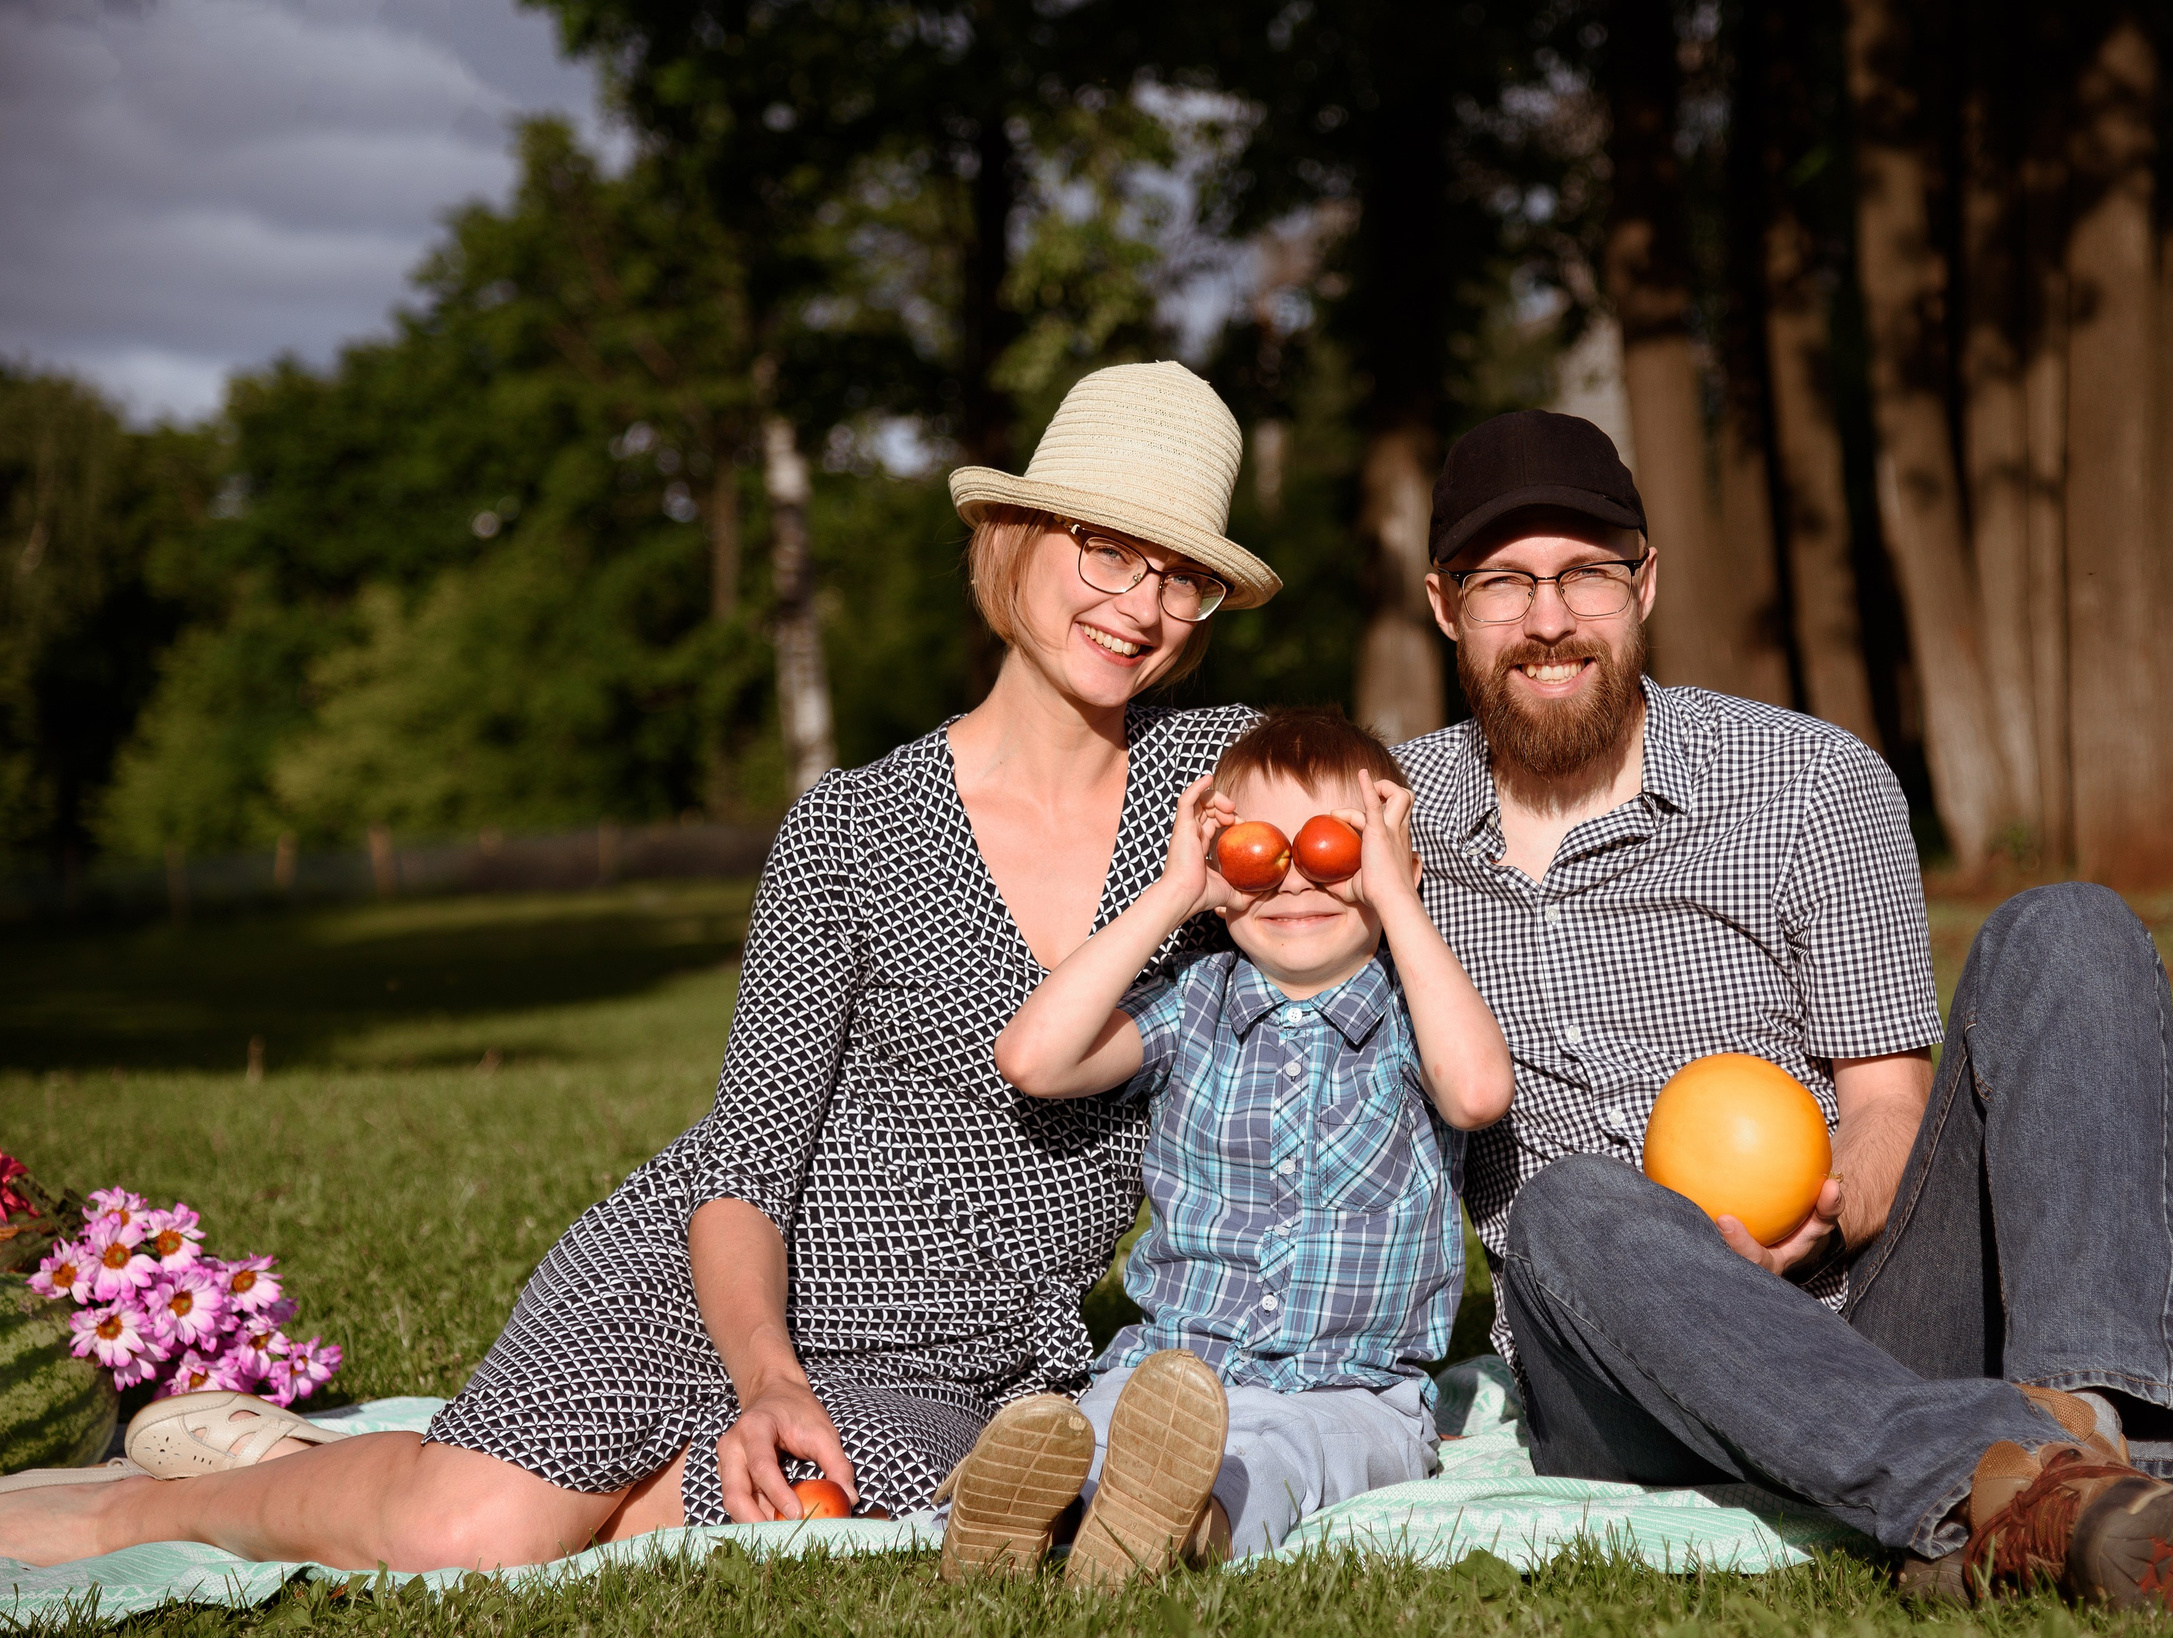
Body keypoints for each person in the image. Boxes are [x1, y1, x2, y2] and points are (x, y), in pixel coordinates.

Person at [0, 361, 1287, 1575]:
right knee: (473, 1533)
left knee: (765, 1511)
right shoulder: (854, 824)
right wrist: (766, 1375)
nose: (1142, 607)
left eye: (1186, 579)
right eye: (1107, 549)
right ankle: (142, 1502)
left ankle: (314, 1455)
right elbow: (746, 1158)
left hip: (965, 1357)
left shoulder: (1229, 787)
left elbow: (1427, 816)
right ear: (1019, 539)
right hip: (724, 1283)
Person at [1392, 409, 2173, 1610]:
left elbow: (1886, 1102)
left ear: (1645, 583)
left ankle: (2094, 1444)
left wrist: (1827, 1203)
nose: (1547, 618)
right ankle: (2004, 1474)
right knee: (1570, 1202)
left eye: (1585, 571)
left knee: (2071, 927)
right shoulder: (1390, 821)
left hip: (1857, 1295)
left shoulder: (1805, 782)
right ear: (1444, 604)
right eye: (1503, 582)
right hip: (1612, 1361)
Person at [970, 708, 1511, 1581]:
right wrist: (1175, 891)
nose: (1297, 879)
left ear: (1387, 864)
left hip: (1351, 1391)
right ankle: (1030, 1519)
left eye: (1335, 848)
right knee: (1095, 1429)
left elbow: (1479, 1093)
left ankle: (1180, 1533)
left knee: (1280, 1456)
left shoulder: (1419, 1013)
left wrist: (1396, 895)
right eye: (1262, 851)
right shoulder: (1191, 1003)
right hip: (1169, 1372)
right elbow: (1034, 1058)